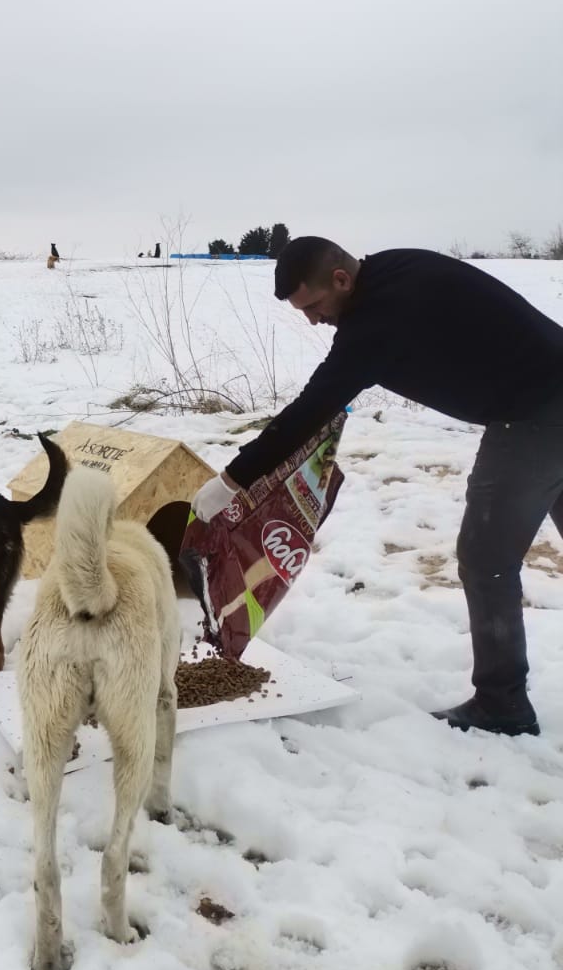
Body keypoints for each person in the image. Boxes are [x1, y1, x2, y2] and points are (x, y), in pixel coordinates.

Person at [191, 238, 563, 737]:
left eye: (315, 306)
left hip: (537, 416)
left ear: (341, 279)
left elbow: (313, 406)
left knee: (486, 559)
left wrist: (231, 481)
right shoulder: (398, 266)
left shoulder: (376, 320)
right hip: (550, 390)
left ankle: (503, 704)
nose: (314, 321)